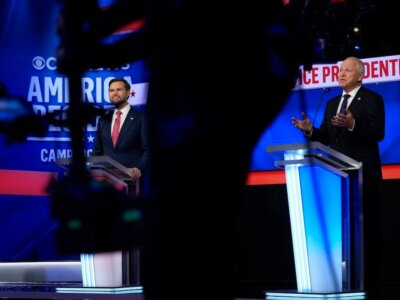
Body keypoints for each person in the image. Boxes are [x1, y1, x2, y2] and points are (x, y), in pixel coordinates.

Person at [292, 56, 385, 299]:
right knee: (343, 233)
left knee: (367, 233)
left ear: (360, 75)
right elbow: (329, 138)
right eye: (340, 69)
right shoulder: (333, 102)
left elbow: (379, 133)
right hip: (338, 177)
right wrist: (310, 130)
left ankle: (372, 286)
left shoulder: (372, 99)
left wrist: (354, 123)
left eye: (347, 70)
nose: (341, 73)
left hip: (364, 177)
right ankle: (345, 282)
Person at [93, 78, 150, 193]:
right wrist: (92, 168)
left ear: (128, 92)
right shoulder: (103, 120)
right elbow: (97, 150)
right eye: (111, 90)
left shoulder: (141, 118)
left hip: (132, 182)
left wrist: (139, 168)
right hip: (107, 183)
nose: (115, 93)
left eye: (119, 89)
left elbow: (148, 149)